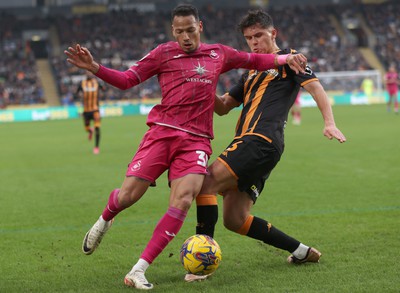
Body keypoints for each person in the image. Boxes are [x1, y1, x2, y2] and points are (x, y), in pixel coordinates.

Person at [64, 4, 307, 290]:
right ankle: (106, 218)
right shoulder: (162, 53)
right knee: (129, 195)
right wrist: (94, 67)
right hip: (162, 133)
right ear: (173, 32)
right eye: (180, 32)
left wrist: (288, 57)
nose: (186, 37)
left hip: (196, 141)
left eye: (190, 30)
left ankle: (139, 269)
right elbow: (127, 80)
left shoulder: (219, 53)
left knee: (183, 199)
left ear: (199, 27)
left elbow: (255, 60)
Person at [189, 9, 346, 282]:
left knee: (205, 183)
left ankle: (202, 264)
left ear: (273, 33)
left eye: (259, 35)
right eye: (249, 38)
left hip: (260, 140)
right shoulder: (251, 70)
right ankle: (301, 251)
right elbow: (224, 106)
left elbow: (316, 88)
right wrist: (203, 85)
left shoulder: (290, 58)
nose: (254, 42)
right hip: (256, 146)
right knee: (235, 220)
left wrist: (329, 122)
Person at [76, 71, 106, 154]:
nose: (89, 74)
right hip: (86, 111)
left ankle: (96, 147)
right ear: (86, 74)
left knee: (97, 127)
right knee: (87, 129)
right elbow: (76, 93)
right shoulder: (82, 83)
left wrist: (102, 91)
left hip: (95, 110)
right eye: (87, 72)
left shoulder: (97, 82)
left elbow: (104, 90)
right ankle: (90, 131)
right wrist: (79, 95)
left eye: (90, 72)